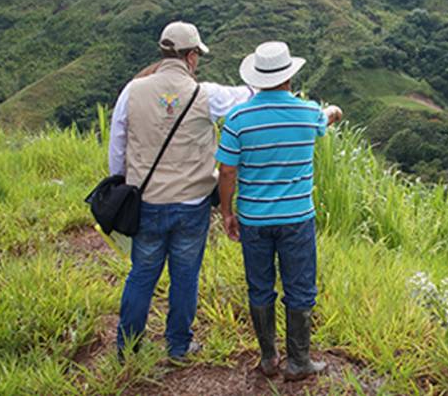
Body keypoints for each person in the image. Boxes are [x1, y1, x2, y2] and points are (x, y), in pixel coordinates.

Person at [109, 21, 255, 363]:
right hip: (192, 203)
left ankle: (127, 349)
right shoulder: (206, 94)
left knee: (141, 275)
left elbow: (118, 147)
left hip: (146, 202)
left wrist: (123, 185)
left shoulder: (132, 91)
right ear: (191, 56)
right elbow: (246, 96)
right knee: (185, 276)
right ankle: (178, 345)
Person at [215, 41, 343, 381]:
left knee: (260, 286)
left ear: (257, 78)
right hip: (297, 218)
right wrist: (333, 111)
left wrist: (227, 212)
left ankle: (269, 358)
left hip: (254, 219)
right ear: (289, 77)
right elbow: (325, 119)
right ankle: (299, 362)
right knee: (300, 286)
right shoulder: (307, 112)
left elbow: (227, 171)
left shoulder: (238, 118)